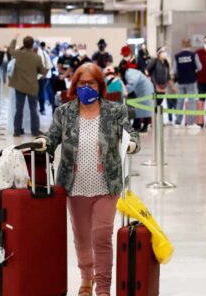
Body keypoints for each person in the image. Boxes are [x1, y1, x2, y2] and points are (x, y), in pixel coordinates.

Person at [33, 63, 140, 296]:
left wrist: (131, 144)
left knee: (101, 236)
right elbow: (52, 137)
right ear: (75, 85)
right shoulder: (64, 112)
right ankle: (86, 278)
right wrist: (44, 143)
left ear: (100, 85)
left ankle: (102, 287)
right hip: (75, 185)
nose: (86, 87)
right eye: (82, 83)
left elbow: (132, 135)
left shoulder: (115, 111)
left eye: (91, 83)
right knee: (82, 238)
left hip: (107, 184)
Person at [8, 34, 47, 137]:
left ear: (24, 44)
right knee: (33, 109)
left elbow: (10, 49)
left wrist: (14, 39)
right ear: (32, 44)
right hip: (32, 87)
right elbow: (42, 71)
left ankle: (17, 130)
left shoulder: (18, 54)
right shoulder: (37, 57)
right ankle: (35, 131)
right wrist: (45, 70)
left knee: (19, 109)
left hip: (19, 86)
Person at [173, 38, 202, 128]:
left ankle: (177, 122)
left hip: (181, 82)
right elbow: (200, 67)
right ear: (190, 44)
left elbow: (174, 70)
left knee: (180, 102)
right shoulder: (193, 55)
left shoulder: (177, 56)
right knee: (192, 102)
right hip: (191, 81)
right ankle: (190, 123)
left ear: (182, 45)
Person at [120, 66, 154, 133]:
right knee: (141, 109)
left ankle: (145, 127)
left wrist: (124, 91)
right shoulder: (129, 72)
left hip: (145, 90)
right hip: (142, 90)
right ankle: (138, 126)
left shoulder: (129, 73)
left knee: (145, 108)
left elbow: (132, 84)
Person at [146, 47, 175, 123]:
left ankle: (157, 121)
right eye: (163, 51)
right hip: (155, 87)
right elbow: (147, 71)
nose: (165, 53)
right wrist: (152, 83)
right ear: (159, 53)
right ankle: (152, 122)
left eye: (165, 51)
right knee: (154, 104)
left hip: (163, 87)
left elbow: (168, 76)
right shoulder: (154, 61)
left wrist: (172, 86)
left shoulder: (166, 63)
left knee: (159, 104)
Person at [37, 42, 54, 115]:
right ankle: (40, 108)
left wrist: (44, 75)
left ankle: (42, 109)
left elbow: (49, 65)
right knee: (38, 93)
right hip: (35, 77)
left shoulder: (44, 53)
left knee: (41, 93)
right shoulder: (33, 53)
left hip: (42, 78)